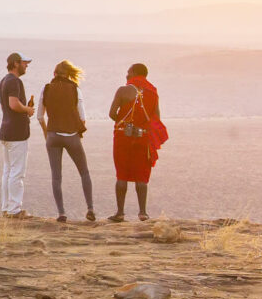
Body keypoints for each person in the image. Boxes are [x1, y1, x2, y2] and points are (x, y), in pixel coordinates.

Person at [107, 63, 168, 222]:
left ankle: (120, 213)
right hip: (143, 138)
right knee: (142, 176)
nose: (126, 75)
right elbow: (156, 119)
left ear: (134, 73)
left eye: (128, 72)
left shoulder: (122, 90)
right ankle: (143, 213)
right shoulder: (153, 93)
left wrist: (124, 122)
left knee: (122, 175)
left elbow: (112, 113)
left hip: (122, 137)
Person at [39, 60, 95, 222]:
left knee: (56, 177)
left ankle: (61, 213)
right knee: (84, 172)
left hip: (52, 136)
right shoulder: (75, 89)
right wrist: (76, 132)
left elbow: (39, 116)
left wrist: (46, 133)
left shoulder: (47, 88)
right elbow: (83, 118)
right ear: (69, 74)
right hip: (72, 136)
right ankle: (90, 208)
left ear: (54, 74)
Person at [0, 52, 34, 218]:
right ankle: (15, 210)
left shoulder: (3, 81)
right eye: (24, 63)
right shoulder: (14, 81)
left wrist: (24, 108)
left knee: (8, 171)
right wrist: (27, 109)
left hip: (6, 131)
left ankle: (6, 208)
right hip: (17, 133)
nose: (27, 66)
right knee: (17, 172)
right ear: (16, 63)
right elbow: (13, 104)